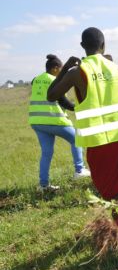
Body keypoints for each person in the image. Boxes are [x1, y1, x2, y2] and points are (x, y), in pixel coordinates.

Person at [47, 27, 118, 200]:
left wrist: (64, 69)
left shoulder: (78, 72)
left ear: (82, 45)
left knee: (111, 195)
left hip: (98, 143)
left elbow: (51, 95)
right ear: (104, 45)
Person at [29, 54, 90, 191]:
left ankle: (43, 185)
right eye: (62, 68)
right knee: (77, 139)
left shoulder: (36, 79)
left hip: (36, 122)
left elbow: (34, 84)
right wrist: (78, 108)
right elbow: (64, 102)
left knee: (46, 152)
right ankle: (79, 170)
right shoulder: (54, 81)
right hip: (53, 119)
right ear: (55, 69)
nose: (63, 71)